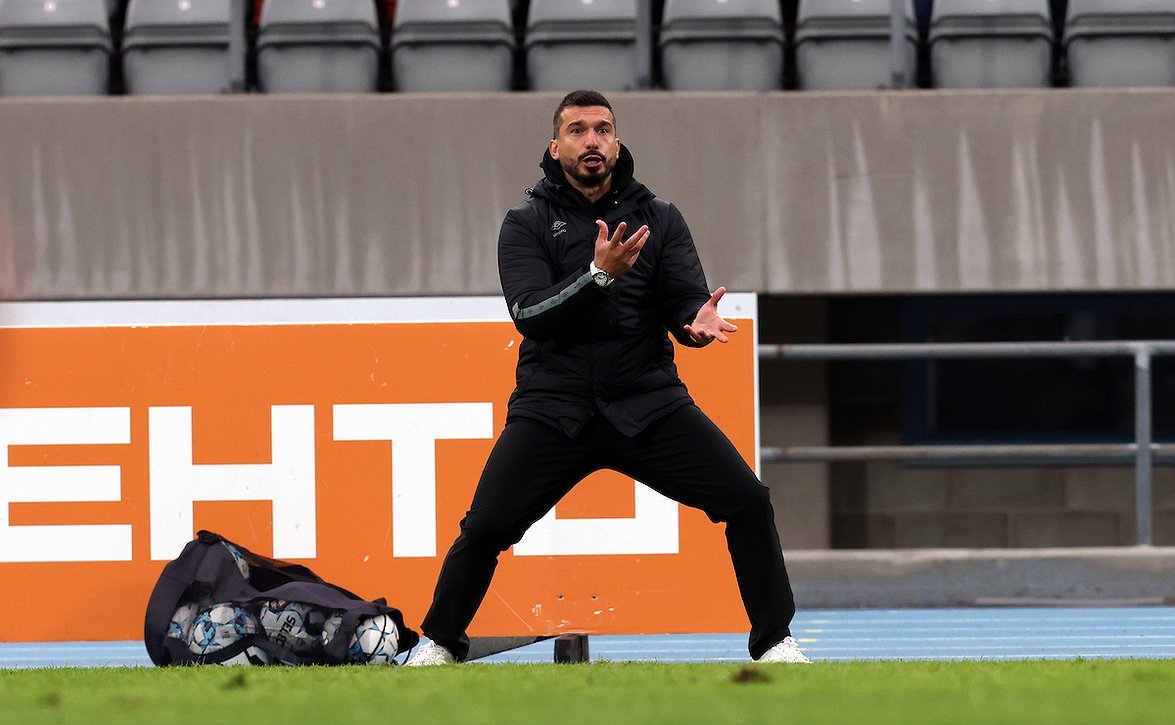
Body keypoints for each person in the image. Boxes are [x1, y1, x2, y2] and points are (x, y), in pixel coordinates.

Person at [406, 90, 809, 666]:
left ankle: (774, 642)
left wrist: (695, 324)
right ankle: (440, 643)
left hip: (647, 402)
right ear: (555, 146)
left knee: (747, 499)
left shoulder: (660, 217)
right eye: (577, 130)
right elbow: (530, 316)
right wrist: (598, 274)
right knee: (487, 526)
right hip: (554, 408)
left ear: (616, 143)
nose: (591, 140)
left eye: (602, 129)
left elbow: (684, 303)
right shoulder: (525, 223)